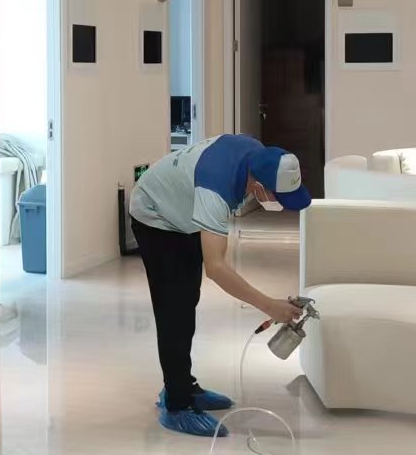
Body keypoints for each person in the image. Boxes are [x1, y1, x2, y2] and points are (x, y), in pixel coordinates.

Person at [128, 133, 312, 436]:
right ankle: (176, 404)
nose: (278, 202)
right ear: (258, 186)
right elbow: (216, 267)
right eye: (277, 196)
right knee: (174, 308)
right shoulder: (215, 187)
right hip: (156, 215)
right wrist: (269, 306)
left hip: (183, 211)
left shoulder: (258, 156)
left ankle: (182, 384)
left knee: (187, 298)